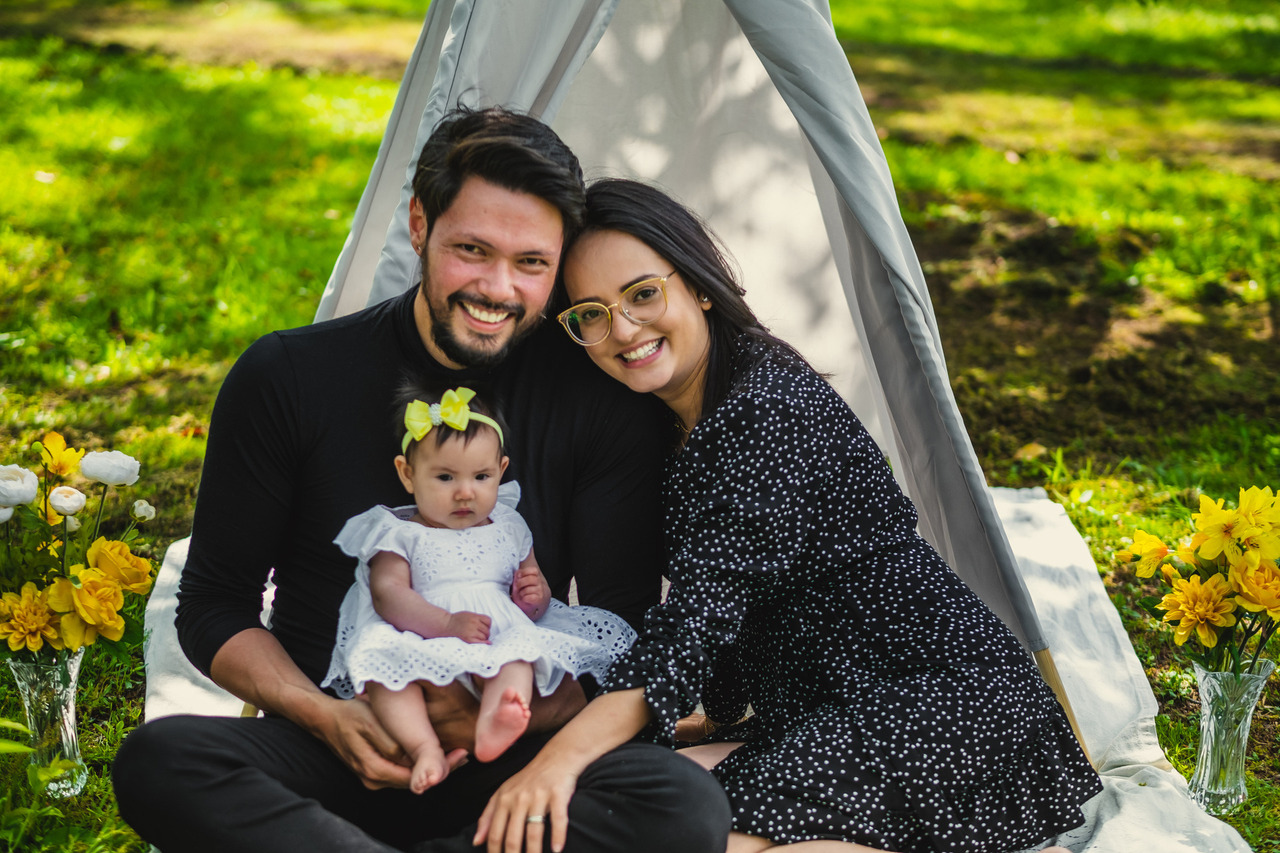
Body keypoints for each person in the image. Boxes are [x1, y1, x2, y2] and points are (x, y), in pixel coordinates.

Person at [112, 110, 730, 853]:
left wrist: (510, 717)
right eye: (473, 250)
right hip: (336, 748)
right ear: (418, 224)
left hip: (509, 763)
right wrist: (324, 716)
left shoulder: (597, 401)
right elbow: (213, 605)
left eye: (531, 263)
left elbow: (613, 630)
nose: (498, 288)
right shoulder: (288, 377)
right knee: (162, 758)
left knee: (681, 803)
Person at [475, 179, 1103, 853]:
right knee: (629, 811)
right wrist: (689, 719)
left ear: (700, 285)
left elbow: (696, 621)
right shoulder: (665, 419)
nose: (623, 329)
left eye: (642, 293)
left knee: (660, 828)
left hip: (940, 704)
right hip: (821, 710)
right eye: (591, 314)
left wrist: (557, 758)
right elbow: (724, 619)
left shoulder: (762, 408)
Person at [322, 385, 636, 792]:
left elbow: (531, 592)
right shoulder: (397, 532)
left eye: (481, 476)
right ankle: (424, 748)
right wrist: (446, 623)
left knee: (520, 653)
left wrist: (533, 597)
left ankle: (499, 716)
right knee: (386, 674)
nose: (465, 491)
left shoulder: (508, 524)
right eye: (446, 477)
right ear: (407, 473)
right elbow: (389, 595)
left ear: (501, 471)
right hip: (420, 634)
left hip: (495, 630)